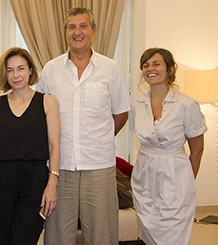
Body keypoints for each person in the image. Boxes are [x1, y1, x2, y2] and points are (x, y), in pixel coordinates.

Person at [37, 7, 130, 244]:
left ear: (94, 30)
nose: (78, 32)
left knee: (102, 235)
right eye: (72, 27)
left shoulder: (110, 69)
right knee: (57, 235)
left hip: (99, 165)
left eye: (83, 26)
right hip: (61, 167)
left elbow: (120, 113)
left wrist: (101, 138)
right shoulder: (51, 69)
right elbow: (40, 114)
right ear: (65, 32)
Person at [131, 48, 207, 245]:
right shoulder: (137, 104)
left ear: (171, 69)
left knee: (173, 232)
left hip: (176, 174)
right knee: (149, 231)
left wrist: (187, 181)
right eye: (146, 65)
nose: (150, 69)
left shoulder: (186, 105)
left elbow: (197, 148)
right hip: (144, 175)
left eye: (157, 64)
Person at [0, 47, 61, 245]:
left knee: (25, 240)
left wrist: (52, 184)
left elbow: (55, 146)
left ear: (30, 70)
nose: (15, 75)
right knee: (4, 241)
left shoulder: (47, 102)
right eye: (10, 70)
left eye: (20, 68)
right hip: (3, 179)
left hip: (36, 180)